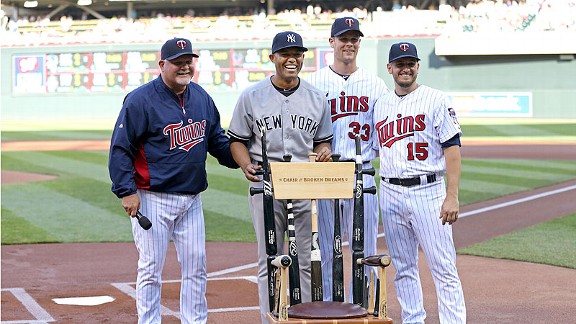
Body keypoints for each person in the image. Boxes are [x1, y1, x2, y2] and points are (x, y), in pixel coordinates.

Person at [108, 37, 238, 324]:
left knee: (196, 267)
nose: (184, 66)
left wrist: (241, 159)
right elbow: (121, 147)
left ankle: (194, 321)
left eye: (188, 61)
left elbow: (216, 140)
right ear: (162, 64)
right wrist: (126, 191)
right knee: (151, 268)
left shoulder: (201, 97)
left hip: (191, 199)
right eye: (178, 62)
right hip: (153, 197)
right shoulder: (141, 99)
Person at [227, 31, 333, 323]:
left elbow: (323, 141)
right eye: (286, 54)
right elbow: (236, 139)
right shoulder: (251, 96)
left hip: (303, 184)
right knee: (268, 259)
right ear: (272, 57)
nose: (292, 59)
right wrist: (245, 164)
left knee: (305, 260)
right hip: (266, 183)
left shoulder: (316, 98)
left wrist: (323, 151)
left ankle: (306, 318)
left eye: (297, 54)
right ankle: (269, 318)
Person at [373, 42, 467, 323]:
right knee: (403, 267)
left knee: (443, 266)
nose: (406, 68)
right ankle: (413, 320)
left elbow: (452, 150)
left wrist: (452, 195)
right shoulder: (381, 104)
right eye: (400, 64)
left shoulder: (437, 99)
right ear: (389, 68)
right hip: (390, 191)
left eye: (410, 63)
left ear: (417, 66)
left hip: (428, 191)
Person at [305, 16, 389, 302]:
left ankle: (364, 307)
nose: (349, 44)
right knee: (327, 248)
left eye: (354, 39)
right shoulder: (314, 82)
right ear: (332, 42)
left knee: (364, 250)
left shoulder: (375, 85)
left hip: (361, 172)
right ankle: (330, 307)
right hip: (326, 176)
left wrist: (370, 155)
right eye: (343, 38)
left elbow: (383, 133)